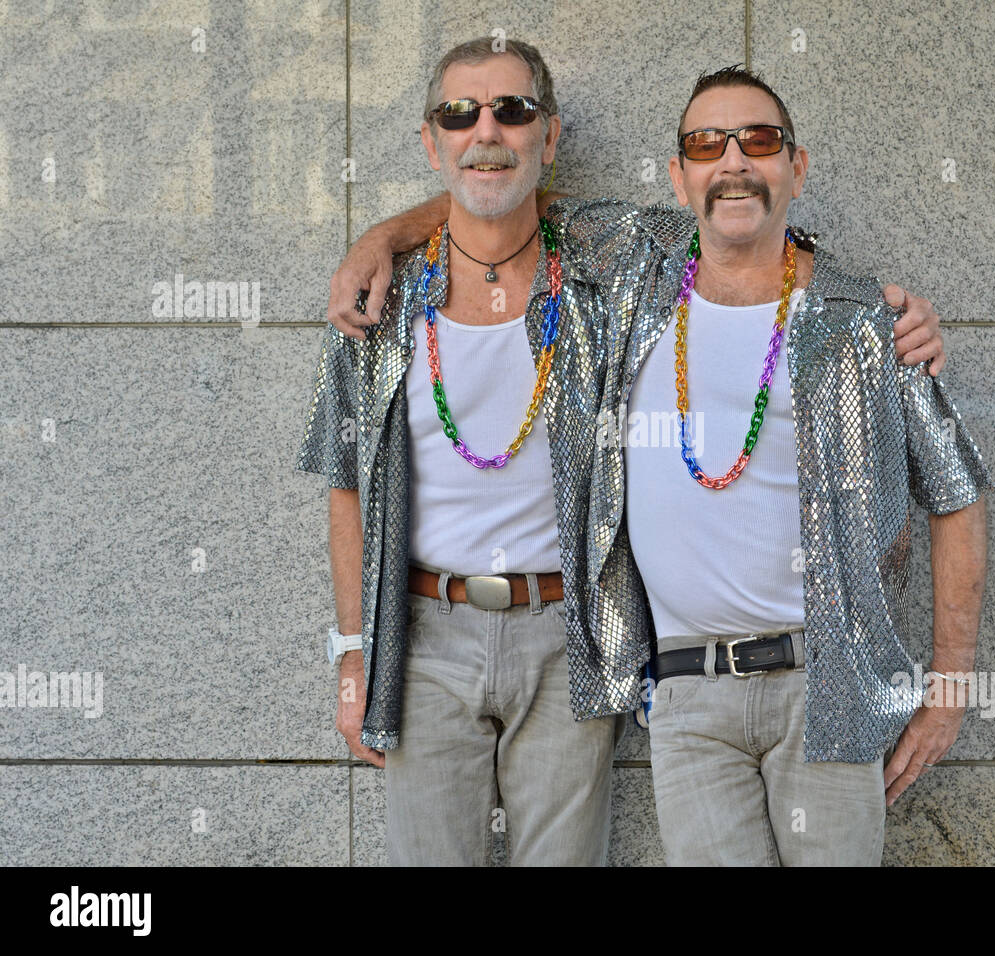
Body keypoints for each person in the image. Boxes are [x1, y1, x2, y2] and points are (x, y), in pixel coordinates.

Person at [313, 43, 951, 866]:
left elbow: (744, 221)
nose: (486, 130)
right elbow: (346, 486)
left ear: (548, 135)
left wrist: (875, 313)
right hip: (422, 637)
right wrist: (351, 655)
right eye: (459, 114)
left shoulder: (606, 266)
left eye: (512, 110)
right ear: (429, 141)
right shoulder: (381, 306)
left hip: (569, 632)